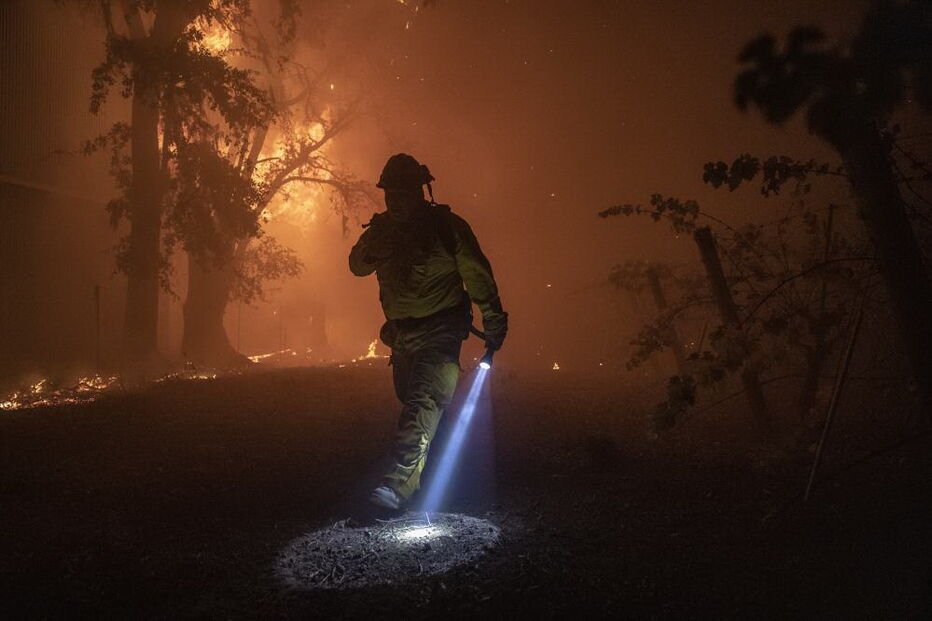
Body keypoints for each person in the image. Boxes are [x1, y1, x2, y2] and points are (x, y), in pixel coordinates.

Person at [349, 153, 508, 510]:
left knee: (423, 403)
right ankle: (445, 474)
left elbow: (479, 277)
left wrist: (494, 322)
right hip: (401, 338)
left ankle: (395, 488)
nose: (395, 201)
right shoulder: (381, 231)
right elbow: (355, 265)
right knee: (416, 402)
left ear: (419, 192)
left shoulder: (447, 228)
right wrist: (375, 249)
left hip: (441, 333)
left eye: (402, 193)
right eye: (390, 194)